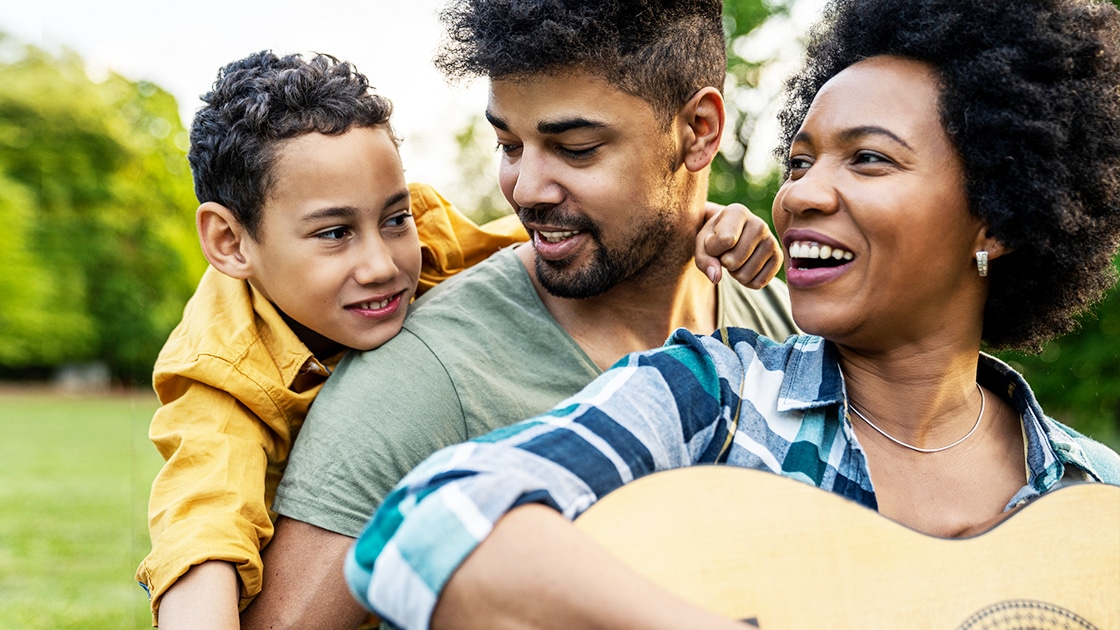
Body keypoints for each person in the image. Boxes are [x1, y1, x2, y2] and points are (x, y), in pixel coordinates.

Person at [345, 0, 1120, 627]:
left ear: (999, 217)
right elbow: (421, 525)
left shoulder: (1094, 496)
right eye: (800, 160)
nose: (801, 195)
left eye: (869, 158)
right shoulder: (708, 395)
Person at [245, 0, 800, 626]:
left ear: (698, 129)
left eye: (576, 148)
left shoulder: (784, 332)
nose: (526, 189)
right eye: (509, 143)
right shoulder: (425, 378)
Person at [135, 50, 531, 628]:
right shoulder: (223, 368)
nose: (381, 264)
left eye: (394, 219)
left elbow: (530, 241)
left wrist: (696, 222)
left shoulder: (423, 238)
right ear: (229, 241)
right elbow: (203, 523)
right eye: (334, 233)